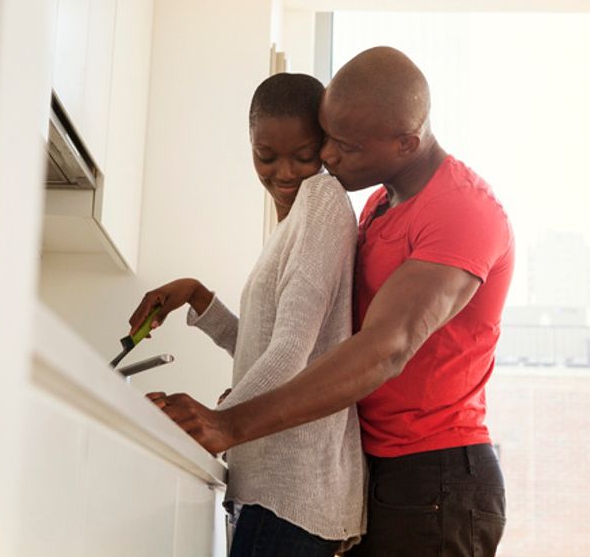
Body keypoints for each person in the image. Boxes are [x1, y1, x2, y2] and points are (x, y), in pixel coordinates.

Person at [150, 46, 515, 556]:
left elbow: (387, 348)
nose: (328, 157)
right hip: (376, 467)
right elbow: (320, 343)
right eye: (327, 138)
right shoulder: (378, 206)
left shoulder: (462, 210)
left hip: (436, 474)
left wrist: (230, 422)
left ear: (406, 143)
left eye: (344, 146)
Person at [131, 73, 366, 556]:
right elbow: (263, 348)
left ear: (325, 146)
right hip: (268, 489)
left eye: (303, 155)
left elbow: (290, 354)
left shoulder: (322, 200)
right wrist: (197, 297)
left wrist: (216, 420)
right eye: (266, 156)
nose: (284, 172)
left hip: (292, 492)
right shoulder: (290, 223)